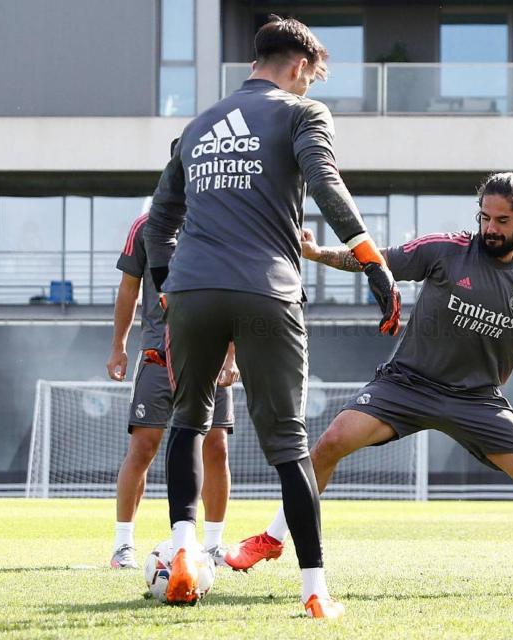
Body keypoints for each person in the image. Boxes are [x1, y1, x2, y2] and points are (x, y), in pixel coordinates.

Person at [226, 172, 513, 596]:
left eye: (501, 221)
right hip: (408, 385)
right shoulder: (446, 250)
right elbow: (376, 258)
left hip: (476, 401)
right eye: (484, 217)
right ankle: (273, 537)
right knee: (331, 442)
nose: (489, 228)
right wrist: (318, 253)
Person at [143, 16, 400, 615]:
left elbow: (160, 223)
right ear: (300, 64)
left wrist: (166, 291)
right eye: (313, 75)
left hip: (191, 292)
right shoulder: (300, 113)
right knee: (288, 442)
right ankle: (315, 594)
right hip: (267, 290)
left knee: (187, 419)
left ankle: (183, 551)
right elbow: (326, 182)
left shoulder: (197, 126)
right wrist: (372, 261)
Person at [107, 201, 239, 570]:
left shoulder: (224, 217)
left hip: (211, 357)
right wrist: (118, 346)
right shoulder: (146, 225)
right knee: (143, 446)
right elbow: (129, 289)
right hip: (157, 355)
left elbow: (234, 292)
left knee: (216, 447)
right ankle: (123, 546)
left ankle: (212, 546)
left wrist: (232, 356)